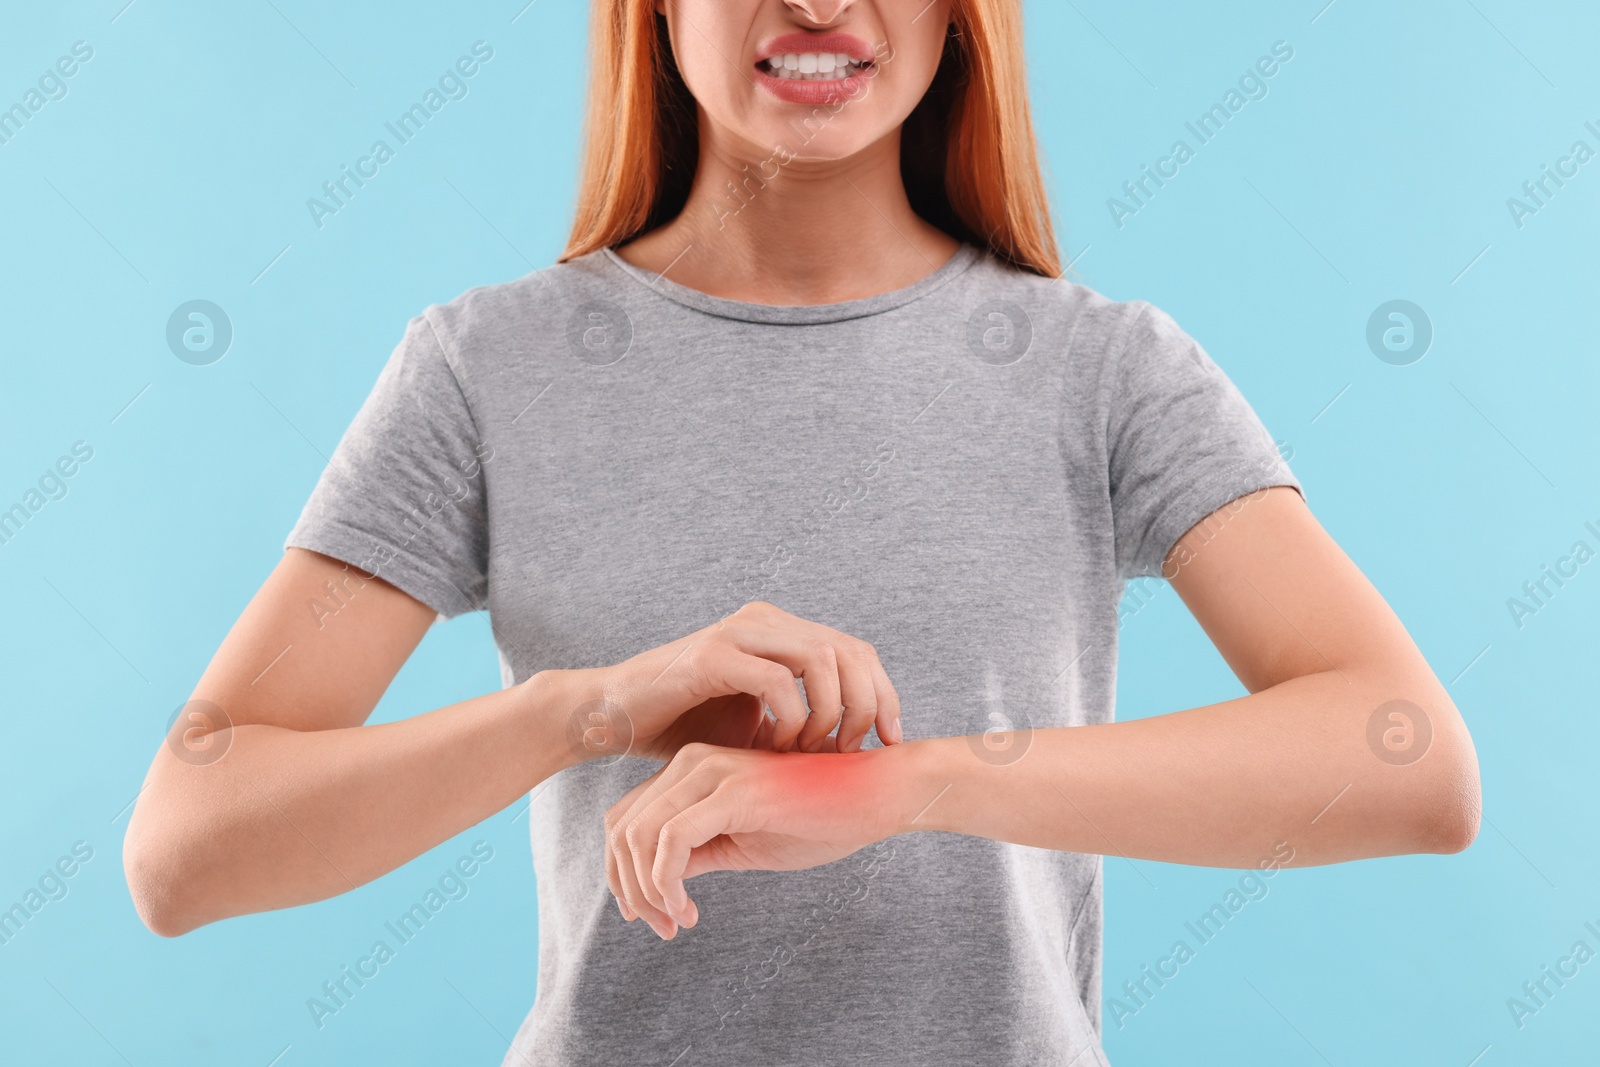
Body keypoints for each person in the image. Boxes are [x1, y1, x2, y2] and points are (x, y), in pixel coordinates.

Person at [124, 1, 1481, 1063]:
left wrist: (908, 783)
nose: (823, 1)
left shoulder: (1102, 370)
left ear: (963, 11)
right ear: (654, 7)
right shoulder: (487, 370)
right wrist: (589, 710)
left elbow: (1410, 760)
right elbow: (186, 846)